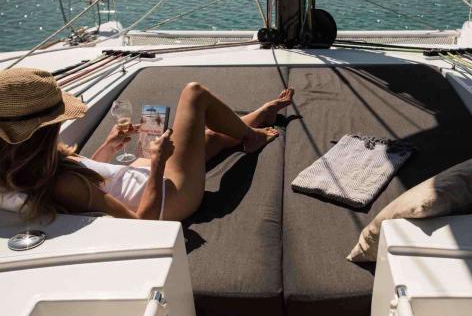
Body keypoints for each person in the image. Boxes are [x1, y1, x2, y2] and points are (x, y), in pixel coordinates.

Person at [0, 68, 293, 221]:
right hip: (169, 200)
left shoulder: (27, 164)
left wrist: (109, 147)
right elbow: (140, 223)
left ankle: (253, 121)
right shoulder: (63, 183)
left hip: (139, 180)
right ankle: (250, 135)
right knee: (194, 94)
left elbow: (93, 177)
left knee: (204, 138)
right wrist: (157, 164)